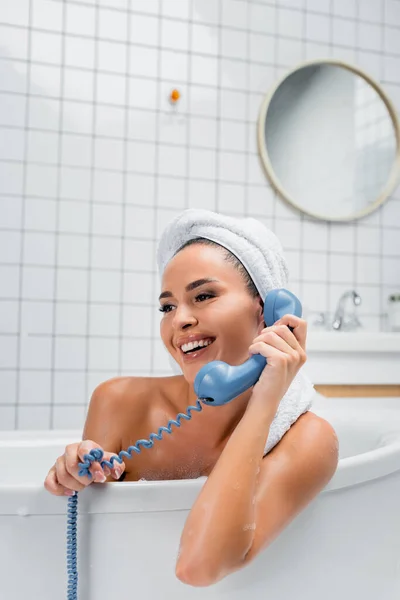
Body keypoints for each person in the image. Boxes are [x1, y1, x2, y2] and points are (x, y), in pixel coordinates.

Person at [44, 209, 339, 587]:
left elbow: (198, 567)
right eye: (167, 306)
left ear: (267, 311)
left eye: (203, 296)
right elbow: (104, 544)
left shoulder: (311, 441)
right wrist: (73, 474)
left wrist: (264, 402)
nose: (179, 320)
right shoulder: (117, 402)